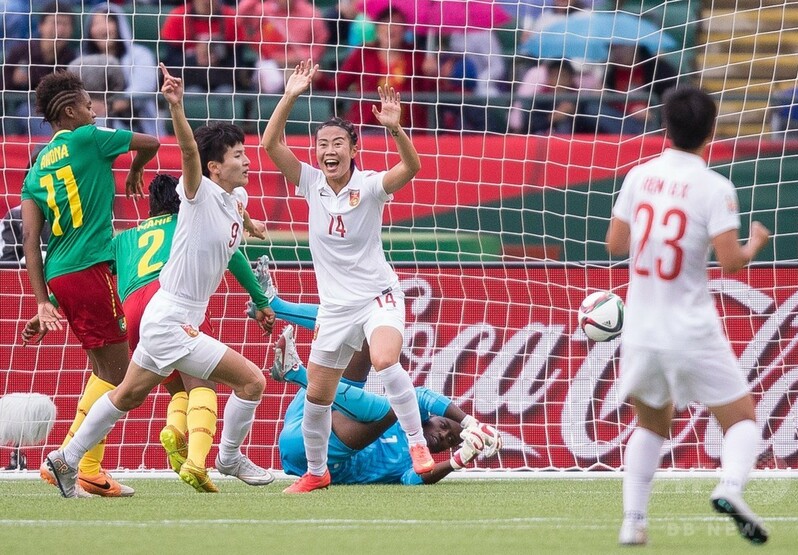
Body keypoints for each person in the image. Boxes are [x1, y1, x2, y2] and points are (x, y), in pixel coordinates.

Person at [42, 64, 274, 498]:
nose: (246, 161)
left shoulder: (235, 196)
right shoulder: (197, 194)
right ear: (214, 167)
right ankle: (228, 456)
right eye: (237, 155)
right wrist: (177, 106)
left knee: (127, 396)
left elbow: (237, 213)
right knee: (252, 382)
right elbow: (188, 152)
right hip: (172, 320)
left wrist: (251, 224)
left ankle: (65, 459)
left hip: (164, 316)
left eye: (245, 153)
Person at [23, 173, 274, 492]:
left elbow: (92, 270)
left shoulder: (126, 237)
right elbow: (233, 255)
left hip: (134, 312)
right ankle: (201, 461)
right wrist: (261, 300)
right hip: (172, 305)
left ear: (150, 207)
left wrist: (49, 305)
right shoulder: (191, 224)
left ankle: (70, 460)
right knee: (210, 382)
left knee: (125, 389)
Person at [605, 86, 771, 546]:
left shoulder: (639, 176)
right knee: (741, 418)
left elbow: (615, 244)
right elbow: (731, 262)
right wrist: (755, 244)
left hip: (642, 327)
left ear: (666, 125)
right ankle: (730, 487)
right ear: (711, 131)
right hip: (691, 326)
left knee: (651, 425)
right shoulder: (714, 187)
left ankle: (633, 521)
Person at [262, 59, 435, 493]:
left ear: (353, 149)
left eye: (338, 143)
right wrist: (290, 95)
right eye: (322, 144)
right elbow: (270, 143)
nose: (329, 151)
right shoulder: (310, 183)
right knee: (317, 397)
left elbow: (411, 167)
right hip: (336, 310)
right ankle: (316, 472)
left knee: (385, 360)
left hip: (378, 297)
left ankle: (418, 445)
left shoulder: (371, 185)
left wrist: (395, 129)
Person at [20, 70, 160, 497]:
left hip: (61, 274)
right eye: (87, 104)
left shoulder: (35, 168)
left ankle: (77, 465)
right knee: (121, 377)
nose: (94, 111)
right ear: (69, 111)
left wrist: (43, 301)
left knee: (104, 371)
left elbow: (30, 240)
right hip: (90, 270)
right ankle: (77, 464)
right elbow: (152, 142)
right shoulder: (90, 138)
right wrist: (136, 170)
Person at [273, 325, 502, 485]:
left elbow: (417, 478)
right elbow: (419, 396)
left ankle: (297, 373)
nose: (443, 435)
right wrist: (471, 423)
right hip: (304, 416)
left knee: (392, 408)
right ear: (430, 417)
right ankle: (275, 304)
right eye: (443, 425)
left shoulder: (413, 462)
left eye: (450, 440)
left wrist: (458, 460)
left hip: (311, 454)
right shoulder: (412, 418)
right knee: (363, 333)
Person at [328, 7, 429, 131]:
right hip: (368, 128)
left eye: (396, 23)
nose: (390, 27)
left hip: (408, 129)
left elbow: (429, 93)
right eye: (385, 22)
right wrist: (317, 77)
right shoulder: (363, 53)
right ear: (377, 27)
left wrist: (431, 74)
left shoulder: (416, 56)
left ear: (404, 29)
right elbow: (337, 86)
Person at [80, 3, 162, 136]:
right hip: (93, 126)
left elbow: (143, 88)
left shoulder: (140, 55)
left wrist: (109, 106)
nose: (102, 28)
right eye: (96, 23)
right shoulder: (82, 61)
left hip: (137, 127)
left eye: (108, 21)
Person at [2, 1, 78, 135]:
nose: (59, 30)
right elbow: (4, 86)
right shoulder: (21, 52)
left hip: (58, 112)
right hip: (22, 111)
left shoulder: (72, 59)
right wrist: (15, 80)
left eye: (65, 24)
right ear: (41, 26)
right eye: (55, 23)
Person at [237, 0, 329, 94]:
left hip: (300, 62)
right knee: (273, 81)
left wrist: (294, 58)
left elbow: (319, 46)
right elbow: (242, 13)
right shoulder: (265, 10)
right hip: (270, 60)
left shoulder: (310, 12)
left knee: (313, 73)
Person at [160, 0, 252, 93]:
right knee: (193, 92)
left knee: (225, 91)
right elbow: (171, 61)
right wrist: (195, 59)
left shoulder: (231, 17)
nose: (207, 2)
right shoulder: (177, 17)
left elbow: (238, 61)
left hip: (223, 78)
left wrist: (219, 58)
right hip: (189, 79)